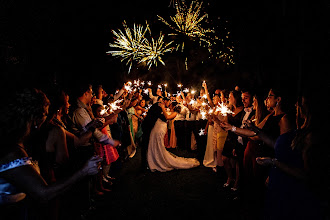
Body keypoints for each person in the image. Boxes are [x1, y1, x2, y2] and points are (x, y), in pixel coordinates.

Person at [0, 88, 102, 219]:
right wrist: (84, 170)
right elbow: (43, 193)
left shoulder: (17, 141)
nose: (46, 119)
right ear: (34, 117)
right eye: (44, 114)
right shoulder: (12, 151)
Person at [256, 90, 327, 219]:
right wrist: (257, 132)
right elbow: (279, 146)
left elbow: (306, 174)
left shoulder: (310, 136)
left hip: (291, 189)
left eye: (300, 103)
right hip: (279, 184)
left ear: (308, 107)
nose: (295, 105)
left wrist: (274, 162)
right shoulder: (299, 129)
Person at [142, 102, 200, 172]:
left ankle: (158, 160)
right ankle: (153, 159)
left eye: (170, 105)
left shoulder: (175, 113)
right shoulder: (168, 111)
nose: (169, 105)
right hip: (157, 127)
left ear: (173, 106)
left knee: (158, 143)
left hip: (161, 128)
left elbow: (167, 117)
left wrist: (163, 109)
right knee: (153, 143)